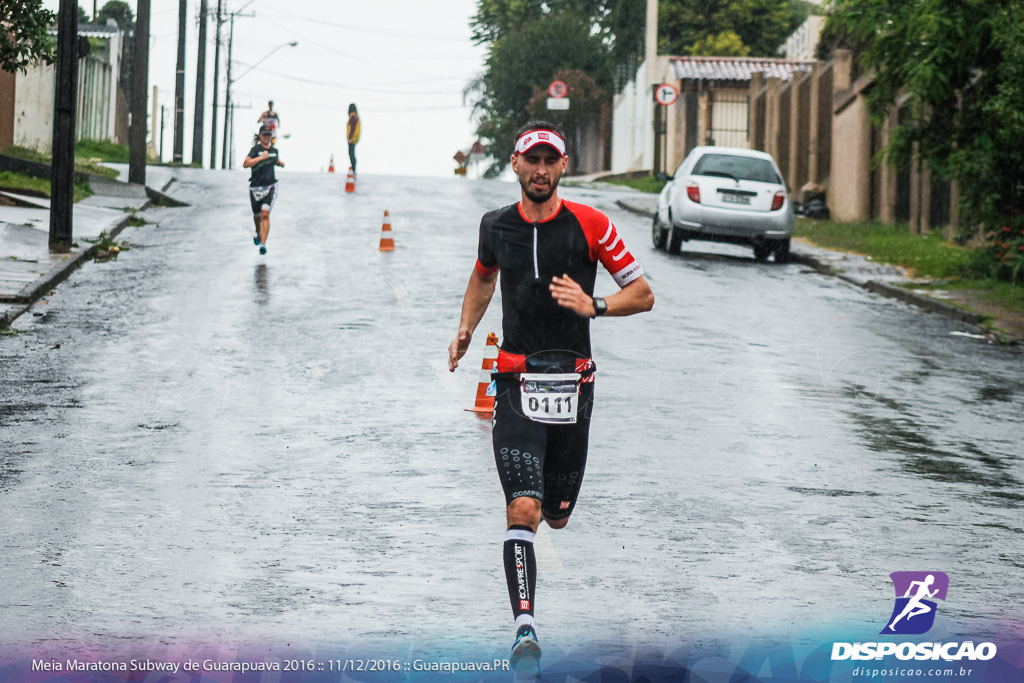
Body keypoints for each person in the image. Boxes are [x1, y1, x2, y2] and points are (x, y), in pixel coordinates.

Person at [447, 121, 654, 672]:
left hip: (573, 385)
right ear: (514, 165)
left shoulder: (591, 224)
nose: (540, 170)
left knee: (557, 514)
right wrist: (466, 328)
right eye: (530, 160)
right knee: (523, 508)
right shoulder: (495, 226)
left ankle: (553, 517)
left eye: (550, 161)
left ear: (563, 167)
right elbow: (483, 277)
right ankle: (524, 629)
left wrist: (597, 306)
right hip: (515, 381)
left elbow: (643, 293)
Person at [242, 125, 284, 255]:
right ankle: (257, 231)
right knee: (257, 215)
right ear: (260, 136)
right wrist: (261, 158)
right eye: (264, 135)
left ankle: (263, 244)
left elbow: (276, 160)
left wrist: (280, 163)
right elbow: (245, 164)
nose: (267, 137)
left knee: (265, 214)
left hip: (270, 186)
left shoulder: (274, 151)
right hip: (255, 187)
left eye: (269, 135)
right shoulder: (255, 150)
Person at [346, 103, 360, 175]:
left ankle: (354, 169)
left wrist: (350, 137)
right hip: (354, 138)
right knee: (352, 153)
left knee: (351, 154)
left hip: (352, 138)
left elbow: (352, 129)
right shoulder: (355, 117)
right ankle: (354, 168)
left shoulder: (353, 117)